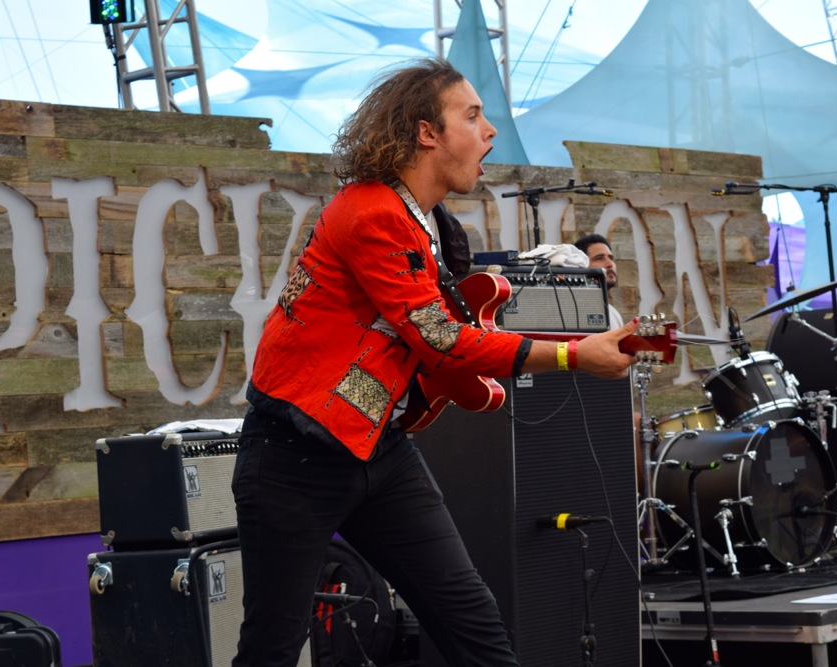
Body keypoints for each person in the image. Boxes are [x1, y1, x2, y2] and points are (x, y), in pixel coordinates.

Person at [231, 58, 638, 667]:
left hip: (381, 449)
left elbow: (434, 345)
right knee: (272, 649)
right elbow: (439, 339)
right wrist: (575, 354)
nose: (490, 130)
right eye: (472, 115)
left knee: (472, 621)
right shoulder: (371, 212)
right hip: (297, 456)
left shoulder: (435, 225)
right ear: (427, 133)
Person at [574, 233, 625, 329]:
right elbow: (566, 344)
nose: (610, 264)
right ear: (581, 267)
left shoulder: (614, 313)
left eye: (611, 258)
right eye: (599, 258)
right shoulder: (571, 310)